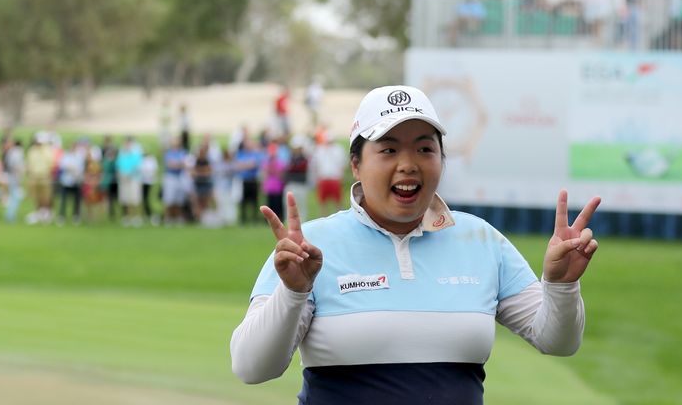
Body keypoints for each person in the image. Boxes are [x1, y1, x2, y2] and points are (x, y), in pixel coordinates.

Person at [230, 85, 602, 404]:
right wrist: (293, 292)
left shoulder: (481, 240)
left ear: (442, 159)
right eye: (389, 150)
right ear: (356, 164)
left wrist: (561, 286)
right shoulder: (308, 247)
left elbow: (558, 341)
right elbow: (251, 367)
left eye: (424, 149)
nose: (408, 164)